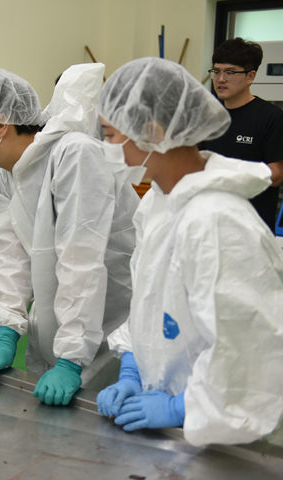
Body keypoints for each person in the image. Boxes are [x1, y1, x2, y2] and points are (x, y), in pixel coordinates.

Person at [96, 57, 283, 446]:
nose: (107, 149)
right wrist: (132, 367)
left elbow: (249, 350)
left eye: (111, 136)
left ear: (151, 131)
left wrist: (183, 406)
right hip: (166, 425)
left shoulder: (217, 220)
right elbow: (150, 302)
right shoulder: (159, 204)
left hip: (219, 433)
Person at [0, 65, 139, 406]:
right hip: (59, 328)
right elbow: (10, 255)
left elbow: (82, 261)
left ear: (0, 123)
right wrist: (6, 333)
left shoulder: (74, 155)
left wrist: (70, 359)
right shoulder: (9, 173)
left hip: (113, 327)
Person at [199, 38, 283, 231]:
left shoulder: (271, 118)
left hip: (251, 227)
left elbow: (277, 174)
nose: (221, 79)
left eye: (230, 72)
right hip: (209, 222)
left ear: (250, 76)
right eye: (216, 71)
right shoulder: (207, 118)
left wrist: (229, 176)